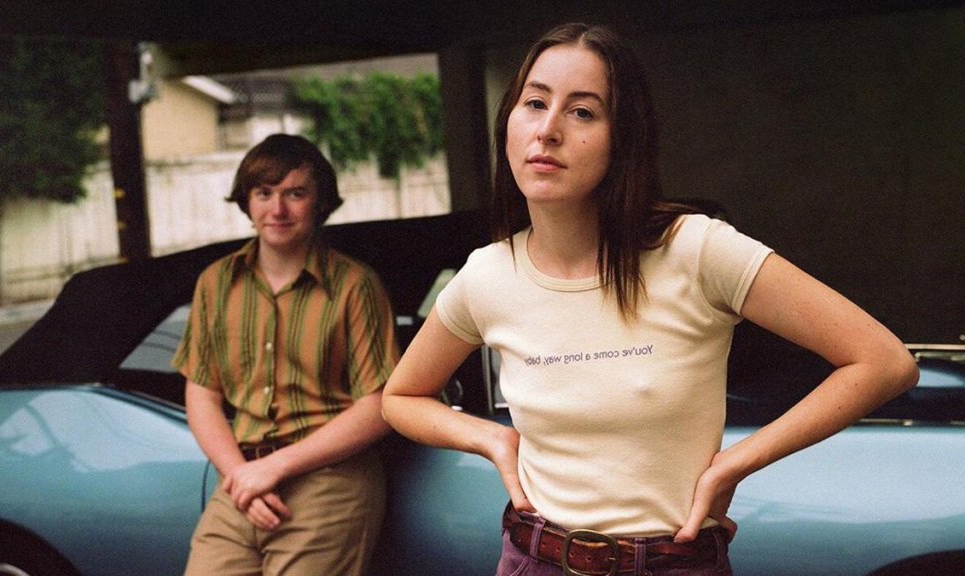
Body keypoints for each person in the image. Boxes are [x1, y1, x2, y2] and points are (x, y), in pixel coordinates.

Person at [381, 22, 918, 576]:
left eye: (582, 112)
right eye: (535, 103)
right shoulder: (488, 275)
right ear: (508, 123)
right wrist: (493, 439)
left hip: (673, 561)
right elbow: (401, 397)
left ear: (624, 139)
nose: (547, 130)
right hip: (535, 557)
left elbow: (883, 362)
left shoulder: (697, 249)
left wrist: (734, 464)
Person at [173, 133, 400, 575]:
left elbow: (380, 405)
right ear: (247, 201)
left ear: (320, 203)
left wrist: (274, 468)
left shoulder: (355, 285)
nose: (277, 210)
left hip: (329, 481)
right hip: (241, 480)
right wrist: (241, 476)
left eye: (295, 194)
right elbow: (202, 394)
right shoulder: (216, 283)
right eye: (264, 193)